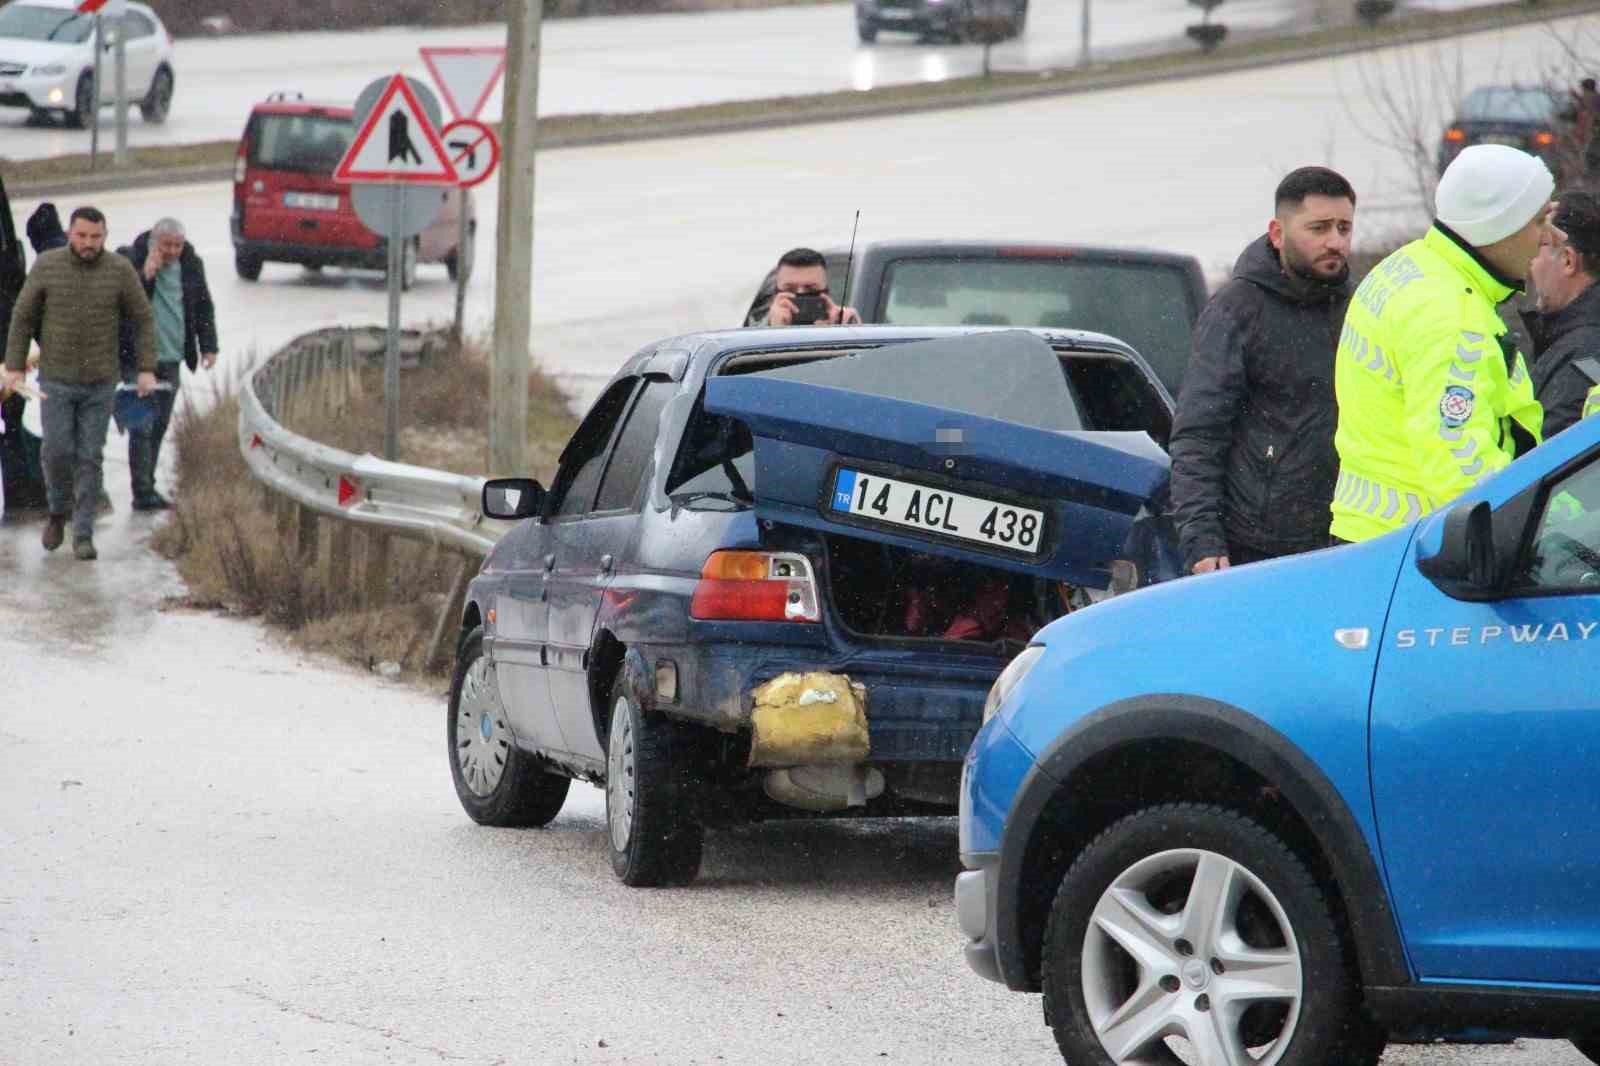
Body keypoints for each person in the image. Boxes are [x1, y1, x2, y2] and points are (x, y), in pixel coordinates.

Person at [1330, 145, 1551, 544]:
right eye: (1539, 221)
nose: (1551, 237)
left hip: (1371, 536)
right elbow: (1459, 462)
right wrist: (1533, 535)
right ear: (1499, 229)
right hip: (1418, 551)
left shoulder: (1412, 265)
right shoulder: (1451, 314)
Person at [1168, 166, 1357, 574]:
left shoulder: (1361, 309)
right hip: (1256, 548)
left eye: (1344, 228)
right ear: (1278, 232)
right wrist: (1202, 539)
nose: (1335, 242)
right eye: (1319, 228)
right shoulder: (1237, 310)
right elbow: (1199, 434)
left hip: (1347, 539)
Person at [2, 207, 156, 560]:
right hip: (56, 380)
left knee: (89, 456)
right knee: (57, 451)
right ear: (70, 233)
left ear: (104, 236)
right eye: (82, 236)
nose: (88, 243)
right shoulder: (48, 266)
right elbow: (23, 315)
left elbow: (143, 318)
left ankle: (83, 533)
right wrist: (14, 367)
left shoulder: (119, 271)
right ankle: (57, 512)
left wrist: (146, 368)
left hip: (100, 383)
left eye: (95, 237)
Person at [117, 217, 219, 511]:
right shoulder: (132, 258)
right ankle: (142, 491)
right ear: (154, 243)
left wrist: (208, 346)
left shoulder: (191, 264)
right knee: (141, 426)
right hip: (137, 359)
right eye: (167, 245)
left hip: (172, 356)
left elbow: (203, 306)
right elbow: (123, 302)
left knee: (159, 424)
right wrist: (146, 273)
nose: (173, 251)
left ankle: (146, 485)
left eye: (178, 245)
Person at [1530, 191, 1600, 437]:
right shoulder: (1574, 346)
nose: (1528, 259)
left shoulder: (1583, 354)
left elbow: (1547, 467)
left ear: (1568, 260)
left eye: (1539, 246)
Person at [761, 247, 861, 326]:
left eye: (811, 289)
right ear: (774, 295)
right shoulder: (753, 333)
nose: (800, 294)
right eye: (789, 289)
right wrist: (773, 330)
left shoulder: (842, 323)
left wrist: (851, 332)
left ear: (827, 293)